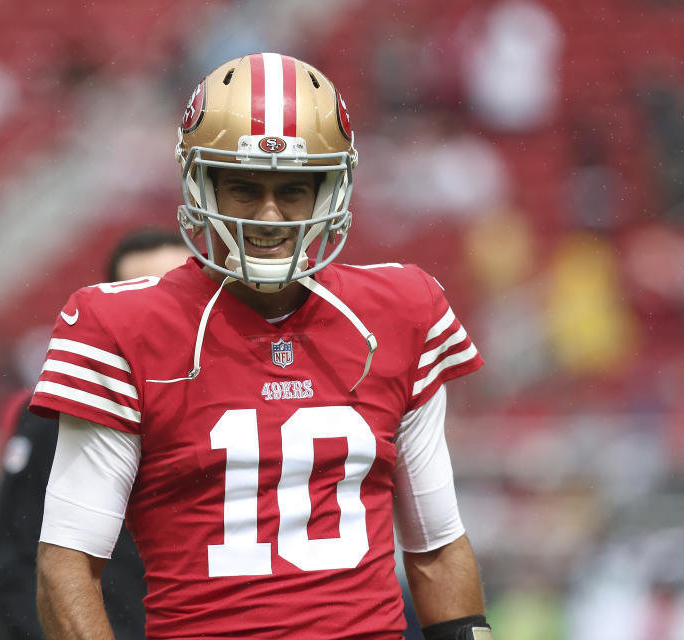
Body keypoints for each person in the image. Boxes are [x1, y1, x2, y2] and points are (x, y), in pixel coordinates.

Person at [31, 53, 493, 640]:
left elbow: (435, 546)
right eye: (245, 188)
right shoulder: (122, 324)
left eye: (294, 189)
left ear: (331, 189)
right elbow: (67, 565)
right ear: (202, 185)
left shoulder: (399, 313)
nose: (269, 217)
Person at [0, 229, 188, 640]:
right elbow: (26, 554)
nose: (159, 306)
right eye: (140, 289)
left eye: (171, 288)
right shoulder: (62, 412)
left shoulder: (235, 395)